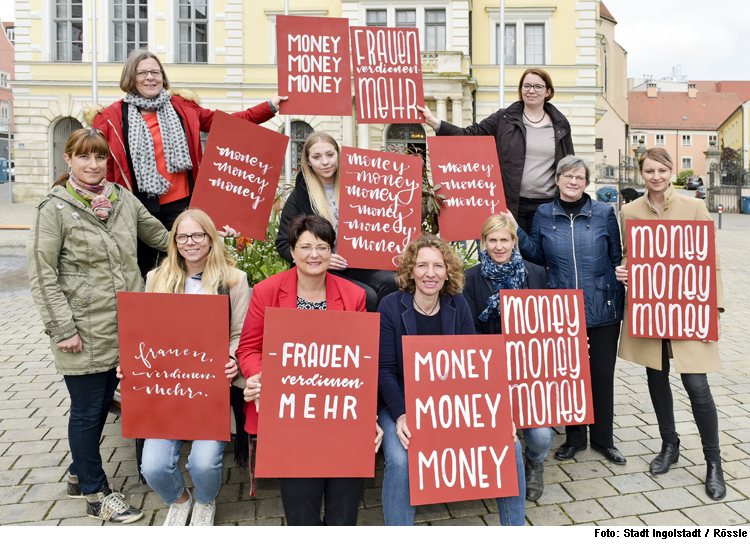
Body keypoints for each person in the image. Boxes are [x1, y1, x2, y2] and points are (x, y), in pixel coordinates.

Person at [27, 128, 170, 523]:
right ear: (69, 160)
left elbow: (158, 235)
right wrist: (62, 330)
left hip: (126, 324)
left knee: (106, 403)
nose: (93, 165)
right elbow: (42, 274)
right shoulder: (53, 209)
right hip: (82, 330)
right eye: (84, 157)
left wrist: (200, 240)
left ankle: (78, 473)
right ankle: (96, 493)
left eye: (100, 158)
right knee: (88, 410)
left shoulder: (122, 200)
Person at [237, 214, 383, 525]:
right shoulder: (267, 291)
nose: (314, 254)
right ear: (292, 251)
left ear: (332, 252)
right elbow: (248, 349)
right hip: (291, 421)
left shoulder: (355, 296)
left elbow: (362, 362)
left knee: (343, 517)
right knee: (301, 514)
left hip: (340, 418)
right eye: (305, 247)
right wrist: (257, 375)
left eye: (322, 246)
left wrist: (368, 415)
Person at [88, 49, 286, 276]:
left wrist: (269, 107)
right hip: (138, 208)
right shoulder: (111, 117)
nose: (150, 77)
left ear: (163, 76)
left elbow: (227, 123)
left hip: (182, 206)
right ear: (130, 78)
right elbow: (99, 162)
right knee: (148, 270)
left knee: (187, 268)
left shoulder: (182, 107)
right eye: (142, 73)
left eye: (155, 71)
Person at [377, 235, 526, 526]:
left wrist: (497, 416)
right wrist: (402, 415)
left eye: (438, 266)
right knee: (401, 459)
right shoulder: (390, 307)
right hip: (401, 400)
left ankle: (516, 530)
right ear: (410, 271)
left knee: (510, 443)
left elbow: (474, 366)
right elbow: (385, 372)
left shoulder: (458, 304)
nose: (430, 273)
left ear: (448, 272)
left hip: (452, 403)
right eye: (422, 265)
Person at [115, 209, 249, 525]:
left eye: (198, 234)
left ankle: (204, 501)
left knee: (204, 464)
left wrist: (232, 359)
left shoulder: (234, 279)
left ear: (211, 238)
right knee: (154, 466)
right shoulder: (156, 279)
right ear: (175, 241)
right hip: (166, 389)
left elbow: (240, 333)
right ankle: (179, 499)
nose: (191, 242)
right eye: (183, 236)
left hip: (209, 390)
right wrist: (131, 364)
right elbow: (145, 334)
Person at [615, 147, 726, 500]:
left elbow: (711, 258)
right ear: (641, 173)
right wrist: (624, 269)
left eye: (662, 170)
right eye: (649, 171)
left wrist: (716, 308)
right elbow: (628, 253)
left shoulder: (693, 207)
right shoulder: (629, 211)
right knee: (656, 376)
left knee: (697, 385)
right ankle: (669, 444)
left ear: (670, 170)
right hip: (650, 308)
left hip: (688, 309)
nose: (656, 177)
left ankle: (714, 462)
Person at [513, 155, 626, 465]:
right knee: (572, 377)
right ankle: (575, 439)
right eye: (568, 176)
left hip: (602, 305)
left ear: (586, 182)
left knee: (601, 376)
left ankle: (604, 439)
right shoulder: (543, 214)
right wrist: (516, 231)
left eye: (580, 177)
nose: (574, 181)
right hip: (562, 308)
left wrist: (624, 275)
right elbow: (536, 254)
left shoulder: (604, 213)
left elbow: (616, 258)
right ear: (558, 179)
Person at [462, 214, 553, 502]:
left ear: (514, 241)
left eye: (505, 239)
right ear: (483, 242)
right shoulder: (471, 278)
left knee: (540, 436)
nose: (499, 246)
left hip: (529, 371)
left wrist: (572, 342)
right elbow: (470, 329)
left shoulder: (535, 273)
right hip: (490, 371)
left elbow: (549, 323)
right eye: (493, 240)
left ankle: (535, 463)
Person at [418, 68, 574, 233]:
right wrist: (435, 122)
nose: (531, 91)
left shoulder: (560, 125)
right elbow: (469, 135)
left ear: (548, 91)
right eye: (526, 86)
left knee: (543, 255)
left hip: (548, 206)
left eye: (538, 87)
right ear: (521, 89)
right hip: (511, 205)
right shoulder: (503, 119)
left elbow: (570, 164)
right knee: (510, 253)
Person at [275, 131, 398, 311]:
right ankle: (360, 338)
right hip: (323, 268)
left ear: (338, 155)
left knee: (391, 282)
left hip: (358, 262)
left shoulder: (358, 186)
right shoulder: (300, 196)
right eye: (317, 157)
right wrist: (322, 258)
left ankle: (384, 336)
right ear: (308, 161)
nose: (325, 162)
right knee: (366, 295)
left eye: (330, 155)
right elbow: (283, 243)